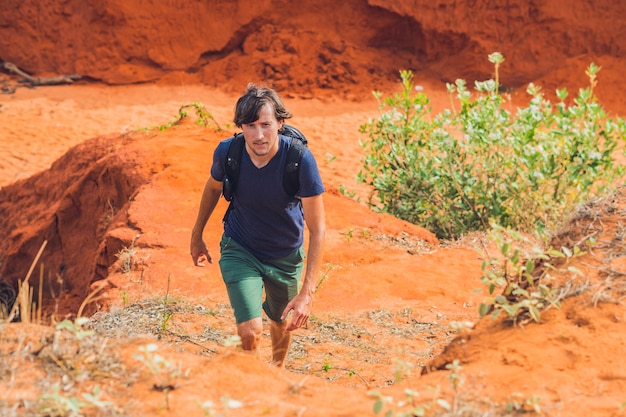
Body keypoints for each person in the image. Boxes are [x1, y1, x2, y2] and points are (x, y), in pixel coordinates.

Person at [190, 83, 326, 367]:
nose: (259, 135)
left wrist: (307, 293)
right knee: (250, 332)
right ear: (241, 126)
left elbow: (318, 228)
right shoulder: (230, 152)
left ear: (280, 123)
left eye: (266, 124)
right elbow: (213, 188)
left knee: (282, 320)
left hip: (285, 255)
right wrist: (197, 234)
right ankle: (253, 381)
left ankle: (277, 370)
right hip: (241, 248)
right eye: (250, 125)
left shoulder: (299, 160)